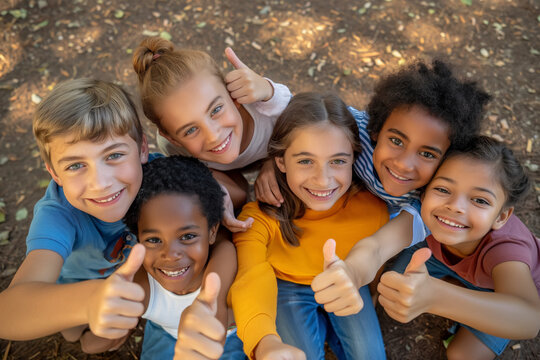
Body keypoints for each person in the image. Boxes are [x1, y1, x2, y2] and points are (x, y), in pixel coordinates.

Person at [0, 79, 236, 355]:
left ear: (142, 151)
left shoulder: (157, 174)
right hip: (79, 287)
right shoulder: (58, 216)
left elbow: (235, 192)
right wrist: (90, 301)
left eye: (113, 155)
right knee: (79, 335)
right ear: (54, 173)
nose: (100, 183)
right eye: (76, 165)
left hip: (144, 273)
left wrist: (217, 192)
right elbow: (8, 313)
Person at [307, 60, 492, 318]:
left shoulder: (433, 199)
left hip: (389, 220)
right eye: (396, 140)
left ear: (445, 161)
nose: (404, 164)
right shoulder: (351, 130)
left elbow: (379, 246)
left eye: (427, 154)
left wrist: (353, 272)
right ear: (375, 129)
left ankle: (371, 289)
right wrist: (272, 162)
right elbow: (300, 117)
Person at [229, 92, 389, 360]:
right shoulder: (259, 218)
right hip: (287, 286)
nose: (323, 180)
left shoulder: (373, 209)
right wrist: (264, 342)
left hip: (346, 277)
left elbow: (377, 260)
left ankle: (330, 326)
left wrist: (367, 294)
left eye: (337, 161)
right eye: (305, 161)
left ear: (354, 158)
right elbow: (250, 278)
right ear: (280, 161)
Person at [378, 136, 540, 360]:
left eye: (480, 201)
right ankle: (458, 286)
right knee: (392, 283)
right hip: (439, 257)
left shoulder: (506, 250)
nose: (454, 207)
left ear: (501, 216)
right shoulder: (430, 221)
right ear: (424, 193)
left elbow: (529, 318)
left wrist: (435, 296)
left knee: (461, 355)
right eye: (443, 189)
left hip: (497, 291)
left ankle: (459, 292)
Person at [79, 155, 245, 359]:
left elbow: (214, 322)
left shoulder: (223, 254)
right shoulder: (140, 285)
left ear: (212, 232)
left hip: (230, 337)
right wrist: (110, 327)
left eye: (187, 237)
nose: (170, 255)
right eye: (154, 240)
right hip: (167, 334)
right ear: (138, 237)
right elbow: (91, 344)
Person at [132, 36, 292, 232]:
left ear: (232, 97)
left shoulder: (261, 104)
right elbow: (194, 176)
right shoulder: (171, 147)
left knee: (294, 174)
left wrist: (275, 161)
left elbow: (303, 117)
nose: (213, 135)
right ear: (172, 138)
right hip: (225, 173)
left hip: (276, 150)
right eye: (190, 130)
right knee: (228, 197)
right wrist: (216, 194)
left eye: (216, 110)